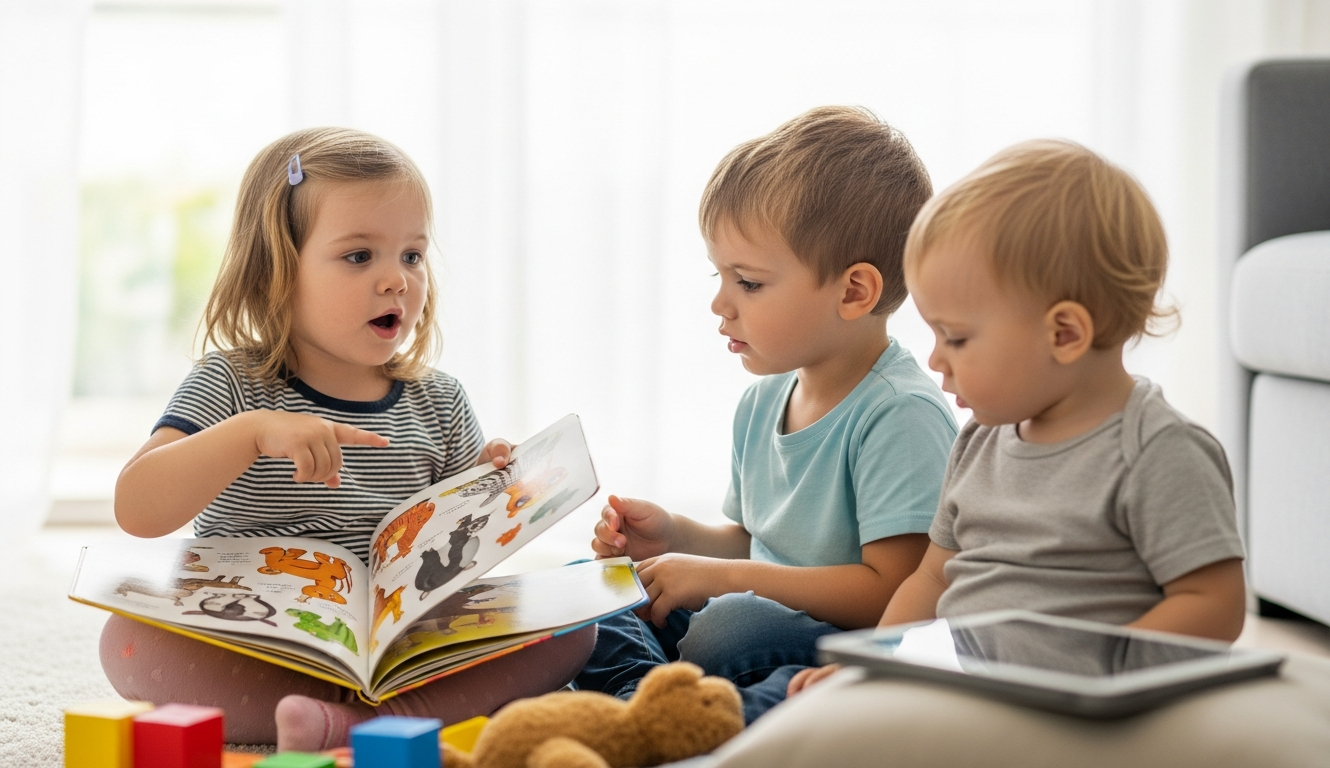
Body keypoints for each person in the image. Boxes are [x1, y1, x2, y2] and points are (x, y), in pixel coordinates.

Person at [100, 127, 594, 749]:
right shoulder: (231, 384)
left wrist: (496, 485)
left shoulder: (438, 399)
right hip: (265, 640)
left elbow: (464, 545)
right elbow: (136, 508)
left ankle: (355, 721)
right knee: (131, 640)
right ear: (278, 271)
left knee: (575, 624)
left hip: (402, 641)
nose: (397, 281)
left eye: (411, 256)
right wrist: (250, 435)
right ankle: (383, 718)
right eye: (360, 256)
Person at [790, 139, 1247, 696]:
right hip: (978, 690)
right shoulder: (981, 440)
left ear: (1064, 334)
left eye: (955, 337)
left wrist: (1111, 685)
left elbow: (1214, 603)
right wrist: (869, 664)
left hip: (1085, 711)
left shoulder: (1158, 449)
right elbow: (933, 576)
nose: (934, 359)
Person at [574, 107, 961, 723]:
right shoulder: (763, 400)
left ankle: (648, 708)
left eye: (748, 282)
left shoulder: (900, 414)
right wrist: (675, 539)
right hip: (743, 621)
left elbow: (893, 590)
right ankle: (649, 710)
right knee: (595, 588)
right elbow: (755, 540)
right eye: (719, 275)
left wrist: (719, 578)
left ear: (853, 292)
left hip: (832, 644)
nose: (719, 304)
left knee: (731, 626)